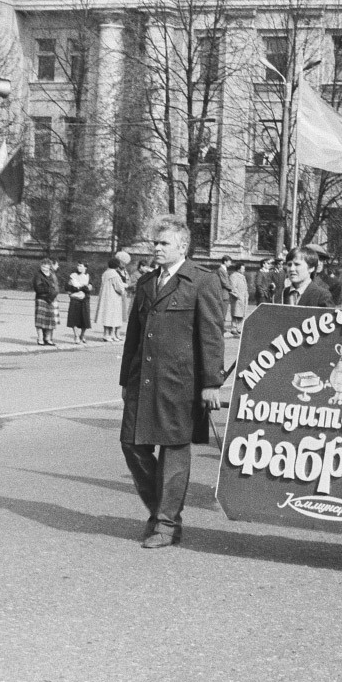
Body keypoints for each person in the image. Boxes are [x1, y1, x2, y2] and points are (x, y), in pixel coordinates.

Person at [119, 217, 225, 549]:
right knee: (132, 445)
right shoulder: (148, 282)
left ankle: (165, 524)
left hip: (181, 383)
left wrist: (212, 383)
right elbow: (133, 337)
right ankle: (163, 513)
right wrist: (126, 379)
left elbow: (211, 336)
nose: (156, 248)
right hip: (143, 380)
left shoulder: (201, 281)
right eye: (155, 242)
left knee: (173, 454)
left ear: (182, 246)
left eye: (163, 243)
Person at [97, 255, 129, 342]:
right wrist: (125, 286)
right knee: (112, 316)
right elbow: (119, 288)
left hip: (105, 297)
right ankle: (110, 335)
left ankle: (106, 334)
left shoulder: (106, 273)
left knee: (107, 316)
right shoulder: (115, 275)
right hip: (113, 298)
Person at [32, 258, 60, 346]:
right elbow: (38, 288)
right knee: (40, 321)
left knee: (50, 320)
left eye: (46, 267)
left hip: (51, 299)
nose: (44, 268)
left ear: (50, 267)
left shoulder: (52, 275)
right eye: (43, 266)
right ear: (41, 266)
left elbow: (56, 286)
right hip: (42, 298)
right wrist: (49, 289)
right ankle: (40, 339)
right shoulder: (38, 275)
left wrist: (53, 292)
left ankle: (48, 339)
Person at [66, 262, 93, 345]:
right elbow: (68, 287)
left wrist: (81, 287)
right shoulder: (73, 275)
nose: (79, 267)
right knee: (74, 318)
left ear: (85, 267)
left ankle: (82, 335)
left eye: (81, 266)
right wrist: (81, 287)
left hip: (85, 299)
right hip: (75, 299)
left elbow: (89, 288)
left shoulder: (87, 276)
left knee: (85, 318)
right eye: (78, 265)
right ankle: (76, 335)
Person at [225, 257, 249, 337]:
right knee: (236, 314)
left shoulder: (242, 276)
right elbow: (233, 287)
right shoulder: (234, 276)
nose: (244, 270)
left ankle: (239, 328)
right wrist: (237, 296)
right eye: (243, 269)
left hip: (243, 298)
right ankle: (234, 328)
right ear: (238, 269)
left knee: (241, 314)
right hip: (237, 299)